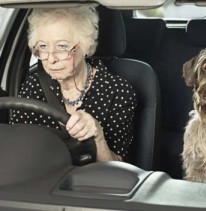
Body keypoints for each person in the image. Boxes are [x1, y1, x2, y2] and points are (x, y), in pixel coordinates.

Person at [10, 7, 137, 162]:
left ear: (86, 46)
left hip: (90, 184)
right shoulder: (33, 85)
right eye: (43, 47)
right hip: (41, 180)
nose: (51, 59)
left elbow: (118, 171)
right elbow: (16, 148)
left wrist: (98, 137)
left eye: (62, 46)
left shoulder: (118, 91)